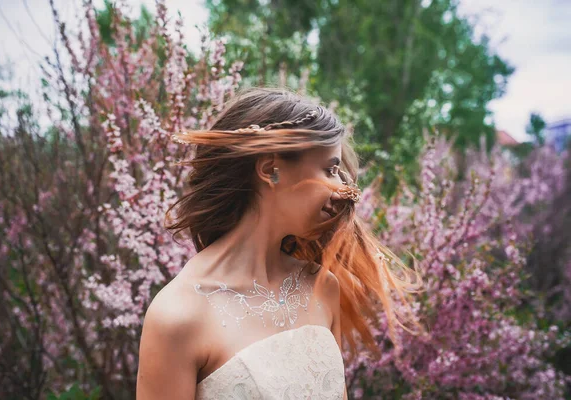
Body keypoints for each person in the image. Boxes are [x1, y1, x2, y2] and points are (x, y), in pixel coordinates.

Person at [136, 87, 423, 399]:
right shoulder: (178, 316)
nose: (345, 189)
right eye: (330, 169)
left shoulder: (321, 287)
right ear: (271, 169)